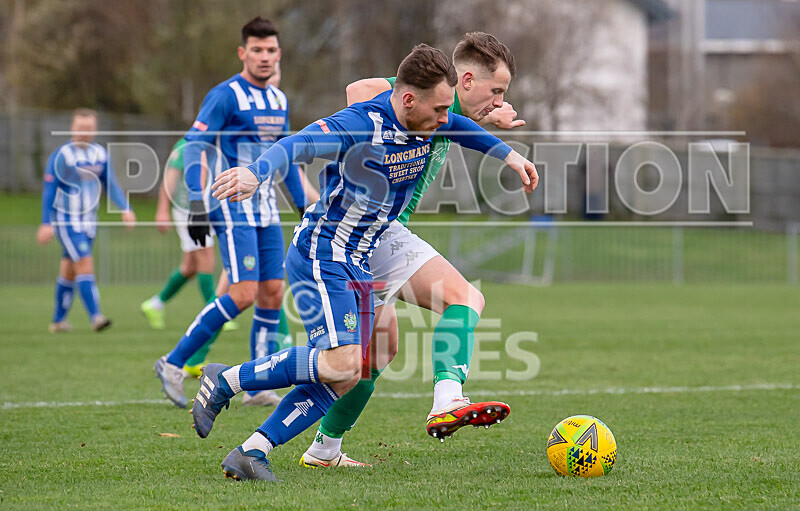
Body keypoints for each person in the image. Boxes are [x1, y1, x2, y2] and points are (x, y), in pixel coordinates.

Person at [192, 43, 538, 481]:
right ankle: (228, 380)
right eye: (438, 109)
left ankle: (254, 450)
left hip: (363, 250)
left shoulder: (434, 115)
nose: (443, 120)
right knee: (342, 362)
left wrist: (509, 155)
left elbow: (460, 128)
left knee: (355, 367)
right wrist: (256, 172)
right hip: (326, 248)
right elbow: (297, 144)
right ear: (409, 99)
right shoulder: (361, 122)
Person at [301, 32, 525, 467]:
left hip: (370, 238)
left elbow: (452, 123)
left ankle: (324, 450)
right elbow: (358, 92)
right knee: (464, 298)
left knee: (374, 357)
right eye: (496, 91)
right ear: (465, 80)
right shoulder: (424, 97)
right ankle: (447, 398)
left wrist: (485, 124)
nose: (499, 101)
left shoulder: (446, 114)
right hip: (374, 231)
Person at [153, 16, 313, 409]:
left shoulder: (279, 100)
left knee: (273, 293)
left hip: (266, 210)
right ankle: (173, 363)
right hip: (231, 207)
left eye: (270, 50)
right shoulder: (225, 95)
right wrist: (195, 199)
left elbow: (286, 159)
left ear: (279, 54)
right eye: (256, 50)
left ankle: (257, 384)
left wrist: (303, 208)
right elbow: (194, 145)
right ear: (243, 53)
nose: (264, 56)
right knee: (242, 293)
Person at [37, 108, 136, 332]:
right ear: (72, 128)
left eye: (89, 128)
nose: (84, 133)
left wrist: (125, 208)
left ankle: (58, 321)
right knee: (84, 262)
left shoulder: (100, 154)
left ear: (95, 129)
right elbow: (49, 190)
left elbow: (110, 183)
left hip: (89, 221)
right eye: (80, 128)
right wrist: (46, 223)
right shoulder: (62, 156)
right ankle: (96, 317)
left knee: (69, 270)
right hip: (66, 221)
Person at [140, 140, 219, 377]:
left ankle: (155, 303)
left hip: (207, 210)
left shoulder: (219, 145)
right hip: (188, 212)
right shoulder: (186, 146)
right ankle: (214, 309)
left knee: (190, 267)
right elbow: (169, 181)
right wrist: (162, 210)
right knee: (206, 258)